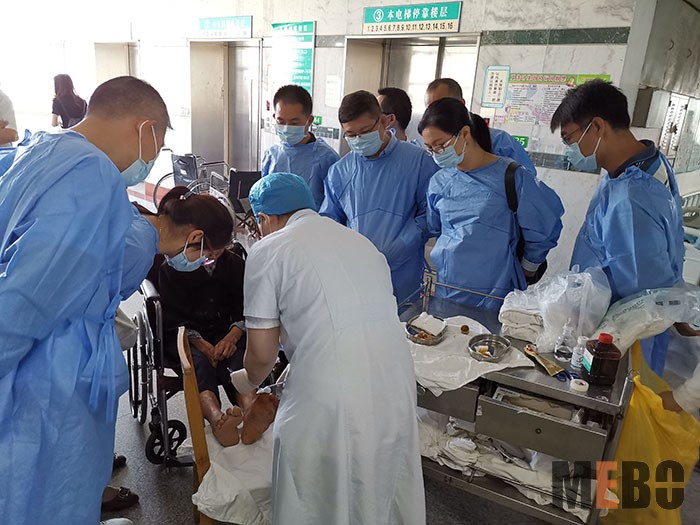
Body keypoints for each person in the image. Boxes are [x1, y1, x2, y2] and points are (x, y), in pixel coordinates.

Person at [0, 75, 170, 525]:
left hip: (39, 376)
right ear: (145, 128)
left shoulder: (39, 151)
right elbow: (29, 297)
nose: (151, 160)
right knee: (51, 499)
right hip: (49, 386)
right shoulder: (91, 174)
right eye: (158, 146)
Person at [230, 172, 425, 525]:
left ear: (264, 218)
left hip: (328, 395)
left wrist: (245, 382)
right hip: (394, 383)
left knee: (317, 493)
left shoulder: (269, 249)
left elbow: (262, 355)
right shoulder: (361, 243)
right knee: (380, 484)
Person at [550, 79, 685, 375]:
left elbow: (638, 289)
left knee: (626, 393)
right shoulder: (644, 163)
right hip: (633, 322)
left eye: (570, 140)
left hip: (622, 338)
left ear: (598, 126)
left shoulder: (631, 196)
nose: (569, 152)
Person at [419, 98, 563, 309]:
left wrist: (528, 267)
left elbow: (545, 226)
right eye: (430, 149)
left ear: (465, 134)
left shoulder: (512, 177)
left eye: (441, 146)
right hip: (447, 287)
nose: (437, 154)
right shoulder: (439, 181)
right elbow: (437, 228)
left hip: (496, 293)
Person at [155, 188, 267, 447]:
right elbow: (173, 318)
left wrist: (232, 335)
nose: (212, 257)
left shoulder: (235, 264)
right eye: (209, 251)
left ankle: (250, 408)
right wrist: (202, 344)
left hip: (227, 330)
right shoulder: (171, 271)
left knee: (239, 360)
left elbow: (245, 305)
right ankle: (217, 419)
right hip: (186, 337)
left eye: (218, 251)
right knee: (198, 366)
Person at [320, 90, 439, 304]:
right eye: (351, 135)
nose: (358, 140)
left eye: (365, 131)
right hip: (355, 274)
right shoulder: (340, 172)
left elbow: (430, 214)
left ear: (384, 121)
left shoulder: (417, 161)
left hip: (403, 274)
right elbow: (329, 223)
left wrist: (403, 244)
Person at [425, 78, 537, 175]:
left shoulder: (500, 142)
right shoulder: (430, 148)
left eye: (442, 108)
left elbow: (525, 181)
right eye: (430, 110)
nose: (434, 116)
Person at [261, 84, 339, 207]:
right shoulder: (271, 155)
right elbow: (264, 198)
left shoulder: (327, 158)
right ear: (274, 117)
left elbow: (335, 206)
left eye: (294, 122)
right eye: (281, 121)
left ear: (309, 120)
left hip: (313, 219)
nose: (286, 128)